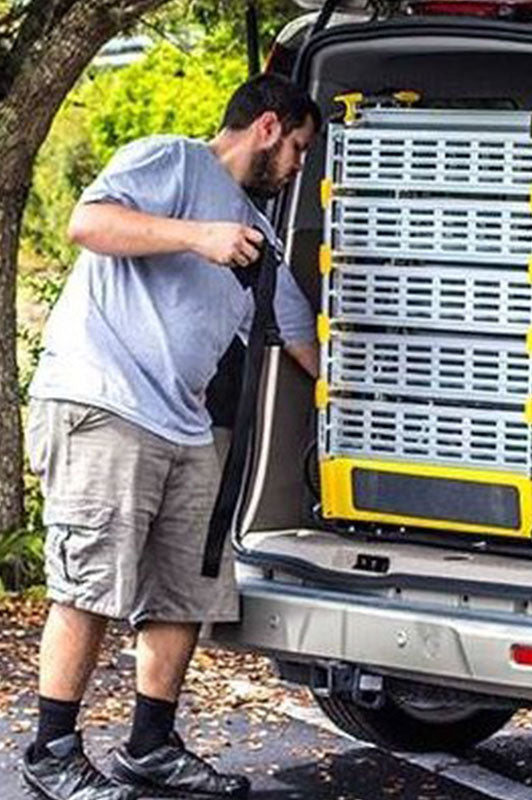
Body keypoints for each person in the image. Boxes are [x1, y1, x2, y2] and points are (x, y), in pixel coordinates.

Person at [21, 73, 321, 800]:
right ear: (269, 127)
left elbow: (296, 330)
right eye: (299, 151)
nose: (298, 169)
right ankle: (50, 751)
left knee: (188, 590)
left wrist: (351, 400)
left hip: (182, 423)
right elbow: (88, 224)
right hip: (104, 402)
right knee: (91, 584)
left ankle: (150, 745)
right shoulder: (174, 161)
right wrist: (198, 236)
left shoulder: (261, 232)